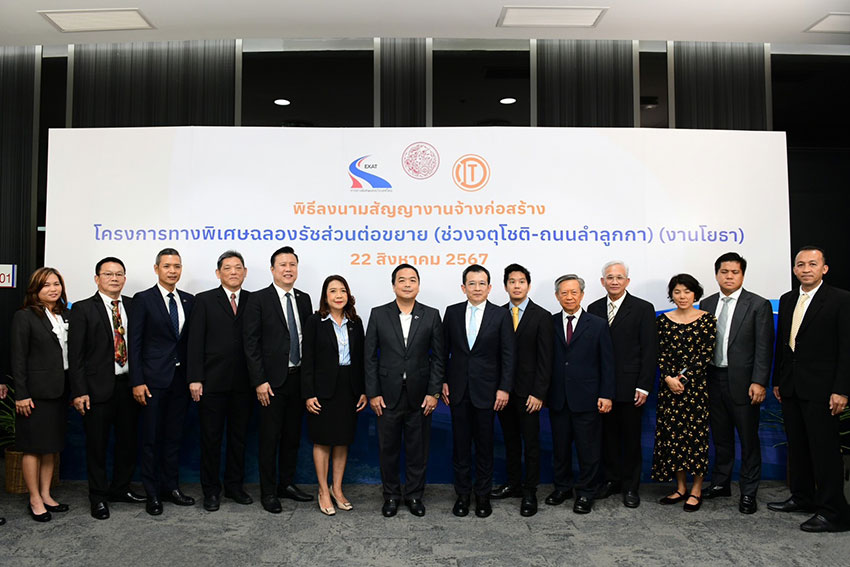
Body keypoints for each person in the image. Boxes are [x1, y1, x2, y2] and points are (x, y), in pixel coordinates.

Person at [769, 246, 850, 532]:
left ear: (824, 268)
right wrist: (778, 381)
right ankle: (802, 497)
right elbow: (783, 345)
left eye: (812, 264)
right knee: (798, 446)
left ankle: (834, 512)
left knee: (824, 451)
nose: (806, 269)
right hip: (791, 386)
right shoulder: (788, 299)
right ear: (794, 269)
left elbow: (846, 349)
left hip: (824, 390)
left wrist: (842, 390)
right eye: (801, 264)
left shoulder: (841, 299)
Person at [68, 257, 146, 520]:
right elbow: (76, 356)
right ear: (97, 278)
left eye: (119, 274)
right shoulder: (82, 309)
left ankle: (120, 488)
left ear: (125, 278)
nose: (114, 278)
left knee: (128, 443)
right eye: (108, 274)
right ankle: (98, 497)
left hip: (129, 386)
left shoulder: (134, 306)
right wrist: (79, 391)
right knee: (97, 446)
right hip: (95, 390)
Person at [365, 264, 445, 518]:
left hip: (420, 396)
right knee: (387, 450)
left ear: (418, 285)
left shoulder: (431, 315)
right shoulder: (378, 314)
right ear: (394, 286)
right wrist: (373, 393)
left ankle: (414, 495)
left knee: (417, 450)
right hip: (386, 396)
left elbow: (439, 358)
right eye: (402, 280)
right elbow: (370, 358)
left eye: (412, 280)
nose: (407, 284)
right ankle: (390, 495)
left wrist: (433, 393)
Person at [700, 252, 774, 514]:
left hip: (744, 383)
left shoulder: (758, 304)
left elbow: (764, 347)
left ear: (742, 275)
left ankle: (748, 492)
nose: (729, 276)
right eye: (724, 272)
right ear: (716, 274)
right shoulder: (707, 303)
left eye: (735, 272)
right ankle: (721, 483)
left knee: (748, 439)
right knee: (720, 437)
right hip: (713, 379)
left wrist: (759, 382)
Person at [243, 246, 313, 513]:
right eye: (282, 265)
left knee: (292, 437)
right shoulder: (258, 299)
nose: (288, 269)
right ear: (272, 269)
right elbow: (251, 344)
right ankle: (269, 492)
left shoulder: (304, 299)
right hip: (270, 384)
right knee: (269, 439)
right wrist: (259, 381)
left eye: (292, 264)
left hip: (298, 379)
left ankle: (287, 484)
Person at [443, 264, 515, 518]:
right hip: (458, 390)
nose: (476, 288)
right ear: (463, 288)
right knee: (460, 447)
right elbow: (442, 351)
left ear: (490, 287)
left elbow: (508, 355)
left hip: (488, 392)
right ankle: (463, 495)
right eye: (471, 283)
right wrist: (443, 381)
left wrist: (504, 388)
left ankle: (482, 496)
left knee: (485, 447)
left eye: (481, 283)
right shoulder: (452, 312)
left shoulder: (501, 315)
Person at [129, 248, 195, 515]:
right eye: (167, 266)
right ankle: (152, 493)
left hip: (180, 381)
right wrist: (137, 381)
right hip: (152, 381)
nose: (172, 271)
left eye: (177, 266)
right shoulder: (143, 299)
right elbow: (135, 343)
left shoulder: (189, 300)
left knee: (174, 438)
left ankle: (171, 487)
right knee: (151, 439)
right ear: (156, 269)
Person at [187, 251, 254, 512]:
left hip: (244, 384)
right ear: (218, 273)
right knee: (211, 440)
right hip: (212, 383)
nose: (233, 272)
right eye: (228, 268)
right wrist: (195, 377)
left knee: (239, 439)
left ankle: (234, 486)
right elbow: (195, 341)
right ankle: (211, 491)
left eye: (238, 267)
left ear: (245, 272)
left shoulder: (253, 300)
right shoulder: (204, 300)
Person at [587, 261, 657, 509]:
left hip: (631, 387)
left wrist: (644, 386)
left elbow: (649, 350)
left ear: (627, 281)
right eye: (610, 277)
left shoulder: (643, 308)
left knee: (630, 439)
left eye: (619, 277)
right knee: (607, 438)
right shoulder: (594, 308)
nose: (614, 281)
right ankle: (611, 480)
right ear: (602, 281)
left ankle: (630, 486)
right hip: (602, 388)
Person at [546, 274, 614, 514]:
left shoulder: (597, 324)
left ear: (582, 295)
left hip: (588, 398)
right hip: (558, 397)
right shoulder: (549, 323)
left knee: (588, 450)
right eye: (564, 292)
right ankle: (562, 488)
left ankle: (586, 492)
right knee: (560, 448)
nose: (569, 297)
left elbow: (607, 363)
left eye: (574, 292)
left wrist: (606, 394)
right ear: (557, 296)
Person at [490, 264, 552, 517]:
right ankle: (513, 484)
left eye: (521, 281)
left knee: (531, 443)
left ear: (528, 285)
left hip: (529, 394)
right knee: (510, 440)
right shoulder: (496, 314)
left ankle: (530, 491)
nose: (517, 286)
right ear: (505, 286)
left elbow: (546, 360)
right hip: (504, 392)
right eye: (512, 281)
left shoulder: (542, 316)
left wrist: (539, 393)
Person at [302, 275, 368, 516]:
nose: (338, 295)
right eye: (333, 291)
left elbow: (361, 359)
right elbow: (307, 360)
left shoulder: (355, 322)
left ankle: (337, 489)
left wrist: (363, 390)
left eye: (342, 290)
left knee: (342, 440)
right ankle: (323, 490)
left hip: (348, 388)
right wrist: (309, 393)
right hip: (322, 390)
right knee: (322, 440)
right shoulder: (315, 322)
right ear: (325, 296)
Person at [11, 267, 71, 522]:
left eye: (56, 284)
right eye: (46, 285)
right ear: (35, 289)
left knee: (50, 447)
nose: (53, 289)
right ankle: (34, 498)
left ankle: (46, 494)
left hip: (60, 390)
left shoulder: (65, 315)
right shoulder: (25, 316)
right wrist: (21, 394)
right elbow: (18, 358)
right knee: (33, 448)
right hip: (35, 394)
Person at [652, 274, 715, 512]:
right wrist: (669, 378)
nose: (682, 296)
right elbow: (659, 353)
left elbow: (705, 354)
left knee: (696, 438)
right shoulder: (663, 321)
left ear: (695, 294)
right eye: (677, 292)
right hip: (669, 389)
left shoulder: (707, 319)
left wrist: (683, 379)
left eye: (687, 292)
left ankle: (696, 489)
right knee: (673, 437)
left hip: (696, 390)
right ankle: (680, 487)